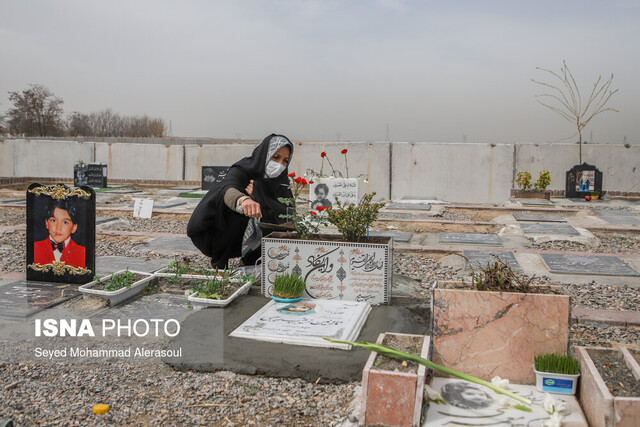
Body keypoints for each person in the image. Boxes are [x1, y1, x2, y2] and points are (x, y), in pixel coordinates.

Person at [187, 134, 294, 268]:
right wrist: (244, 200)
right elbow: (227, 189)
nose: (280, 165)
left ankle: (253, 261)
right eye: (276, 157)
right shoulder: (242, 170)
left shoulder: (281, 183)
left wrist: (259, 197)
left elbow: (288, 217)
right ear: (264, 154)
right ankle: (219, 264)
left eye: (285, 160)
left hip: (263, 243)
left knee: (274, 219)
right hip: (226, 235)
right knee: (229, 210)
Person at [33, 198, 86, 268]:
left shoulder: (82, 252)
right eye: (53, 220)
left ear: (74, 227)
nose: (58, 228)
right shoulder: (35, 248)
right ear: (46, 223)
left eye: (65, 222)